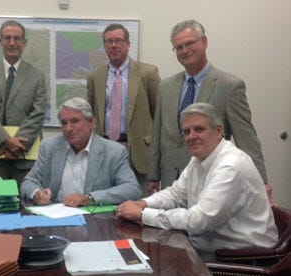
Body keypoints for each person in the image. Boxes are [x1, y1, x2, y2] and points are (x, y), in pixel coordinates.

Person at [118, 102, 278, 255]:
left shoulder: (231, 165)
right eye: (187, 132)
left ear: (219, 131)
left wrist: (143, 214)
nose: (191, 136)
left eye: (199, 129)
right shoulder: (200, 158)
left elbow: (198, 221)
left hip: (245, 259)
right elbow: (176, 194)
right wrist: (144, 203)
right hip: (210, 249)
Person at [147, 19, 274, 205]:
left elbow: (247, 139)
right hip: (170, 180)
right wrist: (153, 175)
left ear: (204, 42)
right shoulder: (165, 86)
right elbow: (158, 132)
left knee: (203, 229)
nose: (185, 50)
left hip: (211, 178)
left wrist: (261, 182)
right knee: (169, 231)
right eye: (178, 47)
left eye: (190, 43)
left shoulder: (229, 86)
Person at [21, 97, 141, 206]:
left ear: (91, 122)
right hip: (56, 218)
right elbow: (29, 182)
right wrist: (36, 193)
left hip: (96, 221)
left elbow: (132, 189)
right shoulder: (49, 147)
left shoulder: (114, 151)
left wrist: (90, 198)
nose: (68, 128)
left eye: (74, 121)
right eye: (64, 123)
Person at [87, 23, 160, 195]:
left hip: (138, 152)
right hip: (105, 148)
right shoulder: (94, 77)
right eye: (109, 41)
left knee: (139, 203)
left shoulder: (148, 73)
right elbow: (90, 116)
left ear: (128, 44)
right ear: (104, 46)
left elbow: (159, 115)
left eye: (119, 41)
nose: (114, 45)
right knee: (104, 200)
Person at [0, 20, 46, 186]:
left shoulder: (37, 76)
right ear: (0, 42)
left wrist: (17, 145)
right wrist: (5, 141)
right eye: (7, 38)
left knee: (25, 207)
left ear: (24, 43)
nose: (12, 43)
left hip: (25, 156)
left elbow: (38, 113)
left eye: (17, 38)